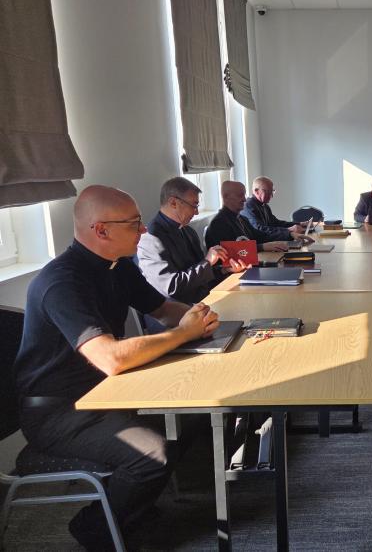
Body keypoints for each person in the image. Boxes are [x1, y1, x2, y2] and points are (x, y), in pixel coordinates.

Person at [13, 185, 219, 550]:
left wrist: (197, 316)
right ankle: (94, 528)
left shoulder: (118, 266)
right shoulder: (62, 282)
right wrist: (183, 333)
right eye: (134, 223)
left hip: (104, 391)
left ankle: (130, 507)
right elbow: (110, 358)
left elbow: (162, 309)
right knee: (153, 454)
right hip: (59, 410)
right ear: (101, 230)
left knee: (191, 415)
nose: (144, 229)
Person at [137, 177, 248, 305]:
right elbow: (172, 287)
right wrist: (207, 262)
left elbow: (199, 274)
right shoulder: (152, 238)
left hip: (204, 299)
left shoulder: (188, 231)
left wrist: (225, 269)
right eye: (194, 205)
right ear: (173, 203)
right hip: (179, 310)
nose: (196, 212)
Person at [204, 180, 290, 252]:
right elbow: (231, 251)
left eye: (244, 195)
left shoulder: (241, 218)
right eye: (240, 195)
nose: (244, 199)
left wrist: (288, 234)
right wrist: (262, 247)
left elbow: (260, 236)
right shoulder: (219, 223)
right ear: (226, 196)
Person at [241, 176, 308, 240]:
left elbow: (276, 223)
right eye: (268, 191)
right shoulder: (248, 206)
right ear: (256, 191)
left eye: (272, 191)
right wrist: (288, 230)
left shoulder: (265, 205)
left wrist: (299, 224)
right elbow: (260, 229)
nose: (271, 196)